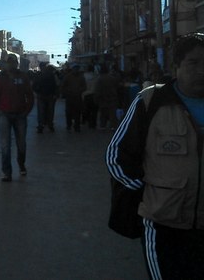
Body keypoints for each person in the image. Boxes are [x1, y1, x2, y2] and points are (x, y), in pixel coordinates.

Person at [106, 33, 204, 279]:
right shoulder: (151, 101)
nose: (202, 70)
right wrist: (146, 192)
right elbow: (116, 155)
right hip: (162, 225)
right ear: (176, 66)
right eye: (194, 63)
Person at [0, 53, 34, 181]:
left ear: (17, 64)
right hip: (4, 115)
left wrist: (26, 111)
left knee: (21, 144)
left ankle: (21, 164)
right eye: (8, 62)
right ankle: (6, 172)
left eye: (13, 62)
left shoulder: (23, 77)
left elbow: (30, 96)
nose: (11, 64)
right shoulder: (0, 78)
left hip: (20, 115)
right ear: (5, 64)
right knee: (5, 145)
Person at [32, 63, 58, 133]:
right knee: (48, 111)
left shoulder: (39, 75)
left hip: (46, 95)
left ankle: (43, 125)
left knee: (42, 112)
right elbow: (56, 85)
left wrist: (37, 91)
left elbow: (34, 85)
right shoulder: (50, 75)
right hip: (46, 95)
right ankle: (47, 125)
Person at [60, 64, 87, 132]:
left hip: (78, 97)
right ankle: (69, 125)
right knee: (68, 112)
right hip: (69, 97)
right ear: (72, 69)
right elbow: (63, 86)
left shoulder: (81, 77)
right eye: (75, 68)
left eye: (77, 68)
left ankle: (77, 126)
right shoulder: (68, 77)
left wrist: (80, 90)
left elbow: (84, 86)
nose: (76, 70)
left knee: (77, 112)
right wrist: (67, 92)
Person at [95, 64, 120, 130]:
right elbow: (117, 86)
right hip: (112, 98)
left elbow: (97, 90)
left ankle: (103, 126)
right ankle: (113, 126)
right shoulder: (112, 78)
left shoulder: (99, 79)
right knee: (112, 114)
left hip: (103, 98)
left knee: (103, 113)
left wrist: (96, 98)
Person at [82, 64, 99, 129]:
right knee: (94, 111)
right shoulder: (96, 76)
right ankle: (93, 123)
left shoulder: (84, 76)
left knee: (87, 110)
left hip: (86, 95)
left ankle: (88, 122)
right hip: (94, 95)